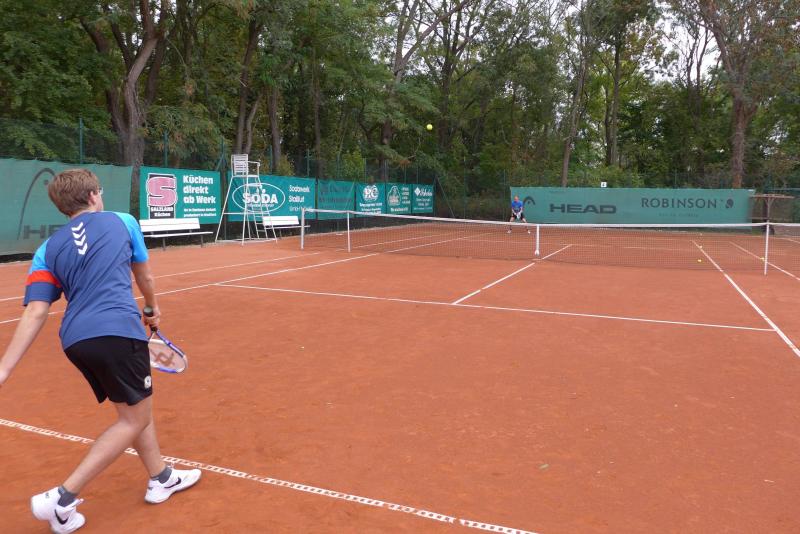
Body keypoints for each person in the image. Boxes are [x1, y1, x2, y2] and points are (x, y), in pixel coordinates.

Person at [0, 169, 200, 533]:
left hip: (76, 340)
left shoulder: (47, 249)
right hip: (117, 331)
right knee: (134, 418)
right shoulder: (123, 221)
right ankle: (61, 498)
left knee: (134, 407)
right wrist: (152, 308)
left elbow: (36, 311)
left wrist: (4, 369)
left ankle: (161, 477)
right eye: (101, 191)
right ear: (93, 196)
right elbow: (145, 276)